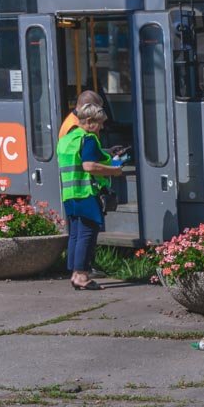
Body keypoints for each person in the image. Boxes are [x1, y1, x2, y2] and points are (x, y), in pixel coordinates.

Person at [57, 103, 123, 290]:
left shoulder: (67, 139)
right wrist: (114, 171)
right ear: (90, 121)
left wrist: (107, 154)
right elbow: (89, 166)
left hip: (70, 194)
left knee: (76, 235)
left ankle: (74, 273)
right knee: (87, 234)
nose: (101, 127)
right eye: (100, 123)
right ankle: (82, 276)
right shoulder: (88, 139)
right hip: (86, 192)